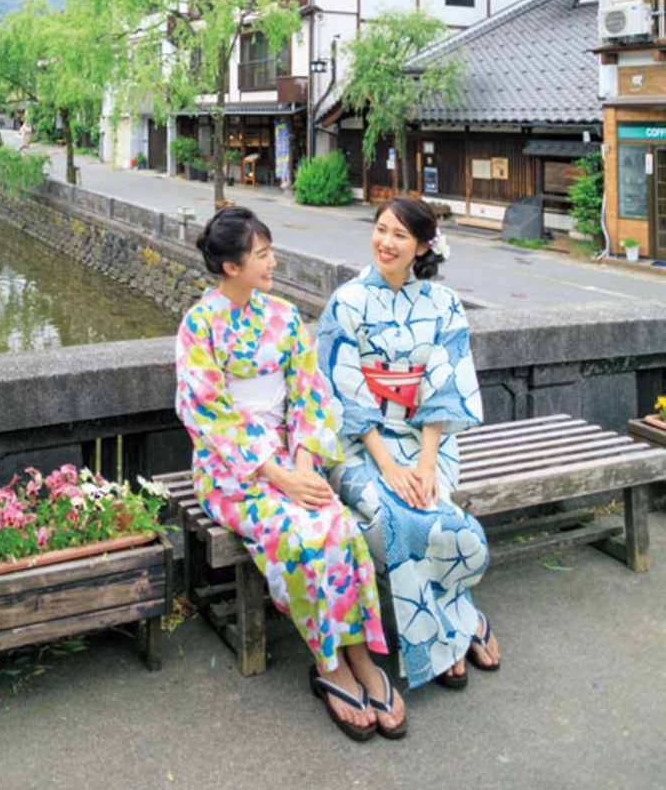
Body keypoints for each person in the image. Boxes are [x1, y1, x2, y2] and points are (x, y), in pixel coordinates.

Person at [175, 206, 406, 741]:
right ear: (231, 267)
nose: (273, 262)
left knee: (341, 528)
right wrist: (278, 476)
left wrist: (303, 463)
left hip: (292, 459)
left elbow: (310, 396)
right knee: (301, 533)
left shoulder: (281, 315)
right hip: (232, 474)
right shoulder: (199, 326)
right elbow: (209, 415)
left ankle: (361, 656)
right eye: (262, 255)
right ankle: (329, 664)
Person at [316, 197, 501, 692]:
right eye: (380, 230)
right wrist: (388, 466)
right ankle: (455, 631)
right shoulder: (347, 302)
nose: (386, 242)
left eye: (400, 234)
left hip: (427, 442)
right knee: (390, 517)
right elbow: (342, 389)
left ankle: (453, 623)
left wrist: (422, 464)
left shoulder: (444, 305)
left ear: (422, 246)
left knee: (441, 515)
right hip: (358, 444)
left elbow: (445, 386)